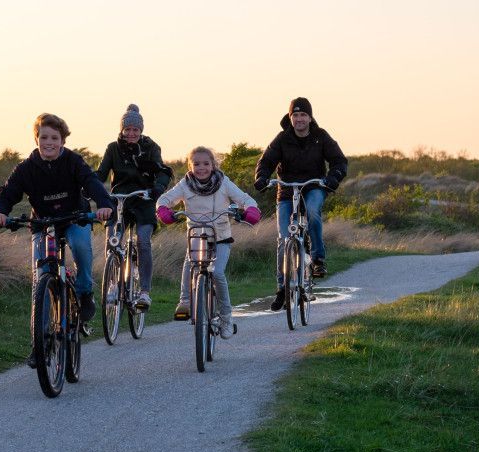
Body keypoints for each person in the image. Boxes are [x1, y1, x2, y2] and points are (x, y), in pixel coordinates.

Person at [0, 113, 113, 367]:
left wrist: (103, 204)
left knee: (80, 246)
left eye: (54, 138)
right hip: (43, 223)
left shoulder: (74, 162)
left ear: (63, 140)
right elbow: (8, 191)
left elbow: (92, 183)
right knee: (41, 279)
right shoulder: (25, 168)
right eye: (43, 137)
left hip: (74, 217)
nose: (48, 142)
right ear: (36, 138)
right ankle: (39, 345)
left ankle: (84, 291)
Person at [156, 146, 261, 339]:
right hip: (196, 236)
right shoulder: (185, 184)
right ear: (190, 166)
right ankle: (185, 301)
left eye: (206, 163)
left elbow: (244, 199)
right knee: (190, 262)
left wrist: (250, 209)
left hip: (220, 237)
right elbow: (165, 198)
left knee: (218, 273)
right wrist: (163, 209)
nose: (201, 168)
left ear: (213, 165)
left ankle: (226, 318)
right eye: (196, 164)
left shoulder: (223, 183)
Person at [254, 97, 348, 311]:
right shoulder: (282, 138)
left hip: (314, 185)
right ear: (290, 117)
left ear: (310, 117)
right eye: (295, 115)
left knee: (313, 211)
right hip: (287, 190)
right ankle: (281, 289)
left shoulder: (320, 136)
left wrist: (333, 178)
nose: (299, 119)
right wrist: (261, 177)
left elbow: (339, 161)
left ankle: (317, 259)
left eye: (303, 115)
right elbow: (266, 161)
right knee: (284, 238)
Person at [95, 104, 172, 311]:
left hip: (143, 199)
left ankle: (145, 292)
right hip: (119, 199)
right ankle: (112, 284)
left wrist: (158, 187)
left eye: (135, 130)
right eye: (127, 129)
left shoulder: (151, 147)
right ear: (121, 129)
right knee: (112, 241)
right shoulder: (113, 148)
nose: (131, 133)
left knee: (143, 242)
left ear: (141, 130)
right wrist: (88, 186)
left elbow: (163, 171)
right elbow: (101, 173)